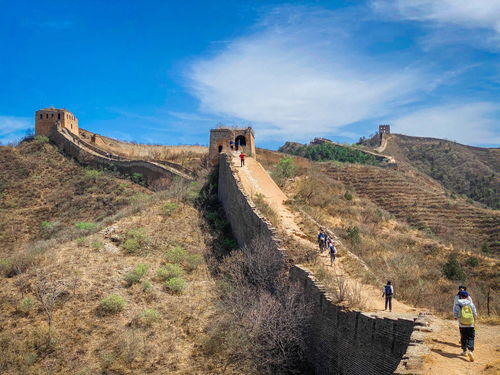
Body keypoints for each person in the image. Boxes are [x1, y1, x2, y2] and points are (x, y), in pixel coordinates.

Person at [453, 290, 477, 361]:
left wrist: (456, 317)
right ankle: (470, 351)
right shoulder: (471, 304)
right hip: (470, 324)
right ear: (467, 297)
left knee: (463, 337)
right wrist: (474, 319)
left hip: (462, 324)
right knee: (471, 337)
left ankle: (464, 351)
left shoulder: (458, 304)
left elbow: (455, 314)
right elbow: (475, 313)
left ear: (460, 296)